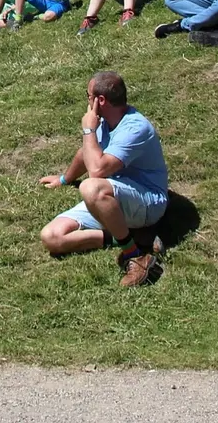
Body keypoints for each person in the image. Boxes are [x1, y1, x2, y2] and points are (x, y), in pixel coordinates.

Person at [38, 71, 169, 288]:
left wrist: (88, 129)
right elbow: (86, 155)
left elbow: (97, 171)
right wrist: (63, 179)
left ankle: (136, 256)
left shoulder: (135, 127)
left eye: (88, 96)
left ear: (100, 100)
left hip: (147, 202)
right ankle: (130, 237)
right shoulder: (106, 122)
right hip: (112, 199)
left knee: (91, 187)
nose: (87, 101)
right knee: (51, 237)